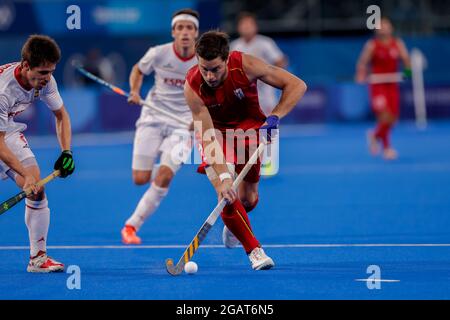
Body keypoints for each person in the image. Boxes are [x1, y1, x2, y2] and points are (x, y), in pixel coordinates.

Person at [185, 31, 307, 270]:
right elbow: (207, 136)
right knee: (226, 194)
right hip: (216, 136)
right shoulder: (192, 86)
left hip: (249, 133)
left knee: (248, 200)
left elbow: (296, 84)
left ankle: (234, 226)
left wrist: (275, 116)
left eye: (215, 69)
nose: (209, 76)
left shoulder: (246, 65)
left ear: (227, 60)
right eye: (204, 69)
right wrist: (222, 178)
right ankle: (254, 251)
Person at [121, 9, 199, 244]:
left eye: (190, 28)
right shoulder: (158, 53)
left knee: (165, 176)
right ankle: (164, 165)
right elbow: (138, 70)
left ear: (196, 33)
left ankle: (131, 226)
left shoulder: (203, 60)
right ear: (173, 32)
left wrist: (201, 118)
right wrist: (135, 91)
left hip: (184, 126)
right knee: (140, 178)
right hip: (152, 118)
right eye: (180, 28)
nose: (185, 32)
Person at [0, 35, 75, 272]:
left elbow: (61, 115)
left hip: (6, 130)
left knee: (37, 189)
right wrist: (25, 175)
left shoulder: (46, 82)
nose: (46, 78)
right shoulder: (3, 91)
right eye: (41, 73)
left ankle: (38, 259)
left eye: (50, 72)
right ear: (25, 65)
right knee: (31, 180)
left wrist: (67, 152)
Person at [231, 12, 287, 176]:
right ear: (239, 27)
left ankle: (269, 164)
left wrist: (272, 76)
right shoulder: (235, 46)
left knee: (268, 127)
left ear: (255, 27)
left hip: (265, 95)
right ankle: (243, 165)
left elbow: (280, 60)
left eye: (249, 24)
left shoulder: (265, 43)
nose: (246, 27)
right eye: (243, 25)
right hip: (242, 97)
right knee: (242, 129)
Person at [355, 17, 411, 160]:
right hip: (377, 85)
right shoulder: (372, 45)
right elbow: (362, 62)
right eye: (380, 26)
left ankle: (374, 135)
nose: (383, 28)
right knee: (384, 116)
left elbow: (406, 61)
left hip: (392, 84)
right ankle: (387, 149)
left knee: (393, 119)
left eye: (386, 26)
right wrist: (361, 75)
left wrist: (407, 74)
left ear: (391, 28)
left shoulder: (397, 43)